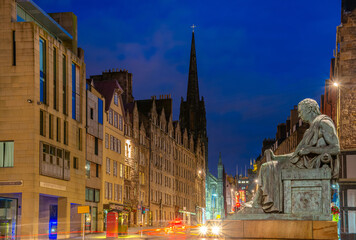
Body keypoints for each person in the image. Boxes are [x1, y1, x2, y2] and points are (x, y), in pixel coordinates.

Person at [243, 98, 340, 213]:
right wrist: (276, 157)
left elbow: (335, 148)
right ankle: (260, 202)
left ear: (309, 109)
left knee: (266, 167)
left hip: (310, 164)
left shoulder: (323, 123)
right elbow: (296, 154)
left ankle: (261, 203)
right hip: (303, 162)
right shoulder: (311, 128)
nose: (299, 115)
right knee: (267, 166)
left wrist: (310, 149)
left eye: (300, 111)